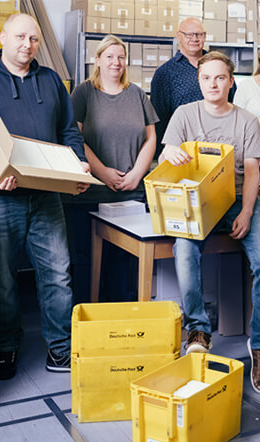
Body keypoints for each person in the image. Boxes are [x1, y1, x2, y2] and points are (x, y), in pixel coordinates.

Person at [0, 13, 90, 380]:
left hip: (46, 195)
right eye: (20, 37)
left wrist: (76, 165)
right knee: (0, 278)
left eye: (33, 38)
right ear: (3, 37)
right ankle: (5, 346)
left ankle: (60, 349)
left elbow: (68, 132)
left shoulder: (50, 81)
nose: (27, 44)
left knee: (58, 273)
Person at [160, 51, 260, 394]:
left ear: (231, 81)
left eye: (220, 78)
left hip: (241, 199)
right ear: (199, 82)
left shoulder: (246, 120)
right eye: (206, 78)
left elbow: (254, 170)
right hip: (198, 202)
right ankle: (198, 330)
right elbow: (166, 153)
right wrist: (169, 153)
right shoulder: (184, 114)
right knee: (184, 249)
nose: (213, 84)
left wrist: (246, 211)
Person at [66, 34, 158, 304]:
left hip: (129, 194)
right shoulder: (84, 93)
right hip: (90, 193)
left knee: (123, 263)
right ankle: (86, 322)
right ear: (97, 60)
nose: (116, 62)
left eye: (120, 57)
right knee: (86, 261)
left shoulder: (137, 93)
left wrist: (136, 174)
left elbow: (151, 138)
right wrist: (103, 172)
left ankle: (120, 324)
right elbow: (75, 138)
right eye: (109, 56)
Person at [151, 17, 235, 157]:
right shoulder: (165, 73)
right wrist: (165, 152)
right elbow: (159, 119)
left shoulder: (220, 65)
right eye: (189, 35)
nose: (194, 39)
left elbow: (232, 101)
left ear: (205, 36)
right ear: (179, 36)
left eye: (199, 34)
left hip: (219, 146)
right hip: (182, 150)